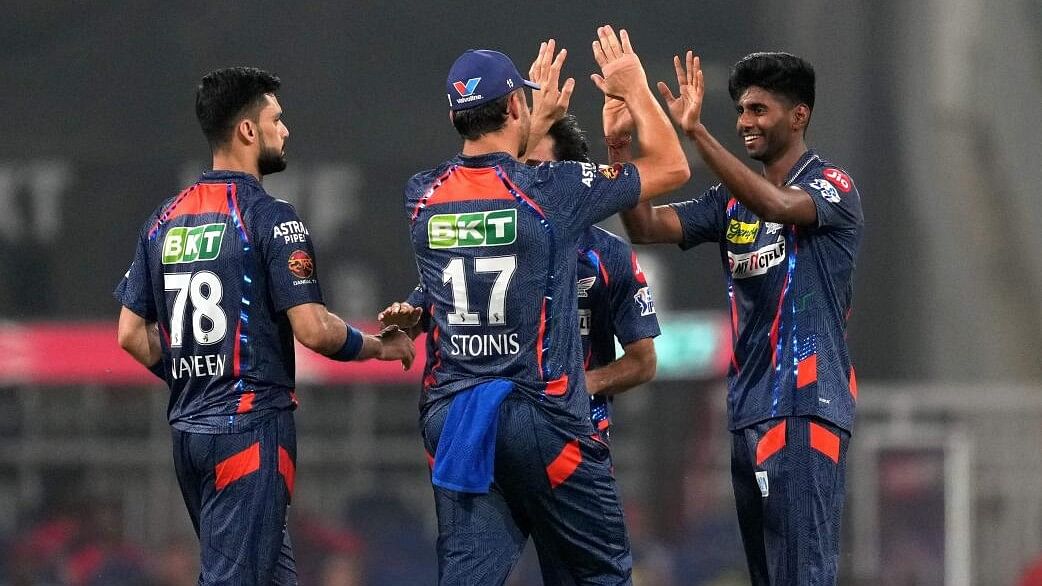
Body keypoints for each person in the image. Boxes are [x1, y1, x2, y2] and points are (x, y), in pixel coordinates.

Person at [401, 28, 689, 585]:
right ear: (515, 103)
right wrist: (634, 88)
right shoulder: (552, 189)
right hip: (540, 418)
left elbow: (493, 178)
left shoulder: (421, 193)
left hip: (456, 421)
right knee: (599, 576)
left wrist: (528, 122)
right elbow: (674, 168)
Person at [114, 66, 415, 584]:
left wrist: (193, 377)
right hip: (250, 429)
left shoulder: (162, 219)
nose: (286, 129)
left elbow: (130, 335)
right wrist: (378, 348)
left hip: (189, 433)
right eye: (277, 118)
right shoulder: (272, 218)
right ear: (248, 131)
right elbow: (314, 329)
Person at [615, 51, 864, 584]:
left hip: (804, 405)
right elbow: (645, 228)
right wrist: (620, 151)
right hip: (749, 410)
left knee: (801, 573)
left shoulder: (833, 186)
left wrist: (698, 136)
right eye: (740, 110)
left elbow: (778, 205)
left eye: (758, 109)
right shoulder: (731, 204)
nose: (746, 121)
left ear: (799, 115)